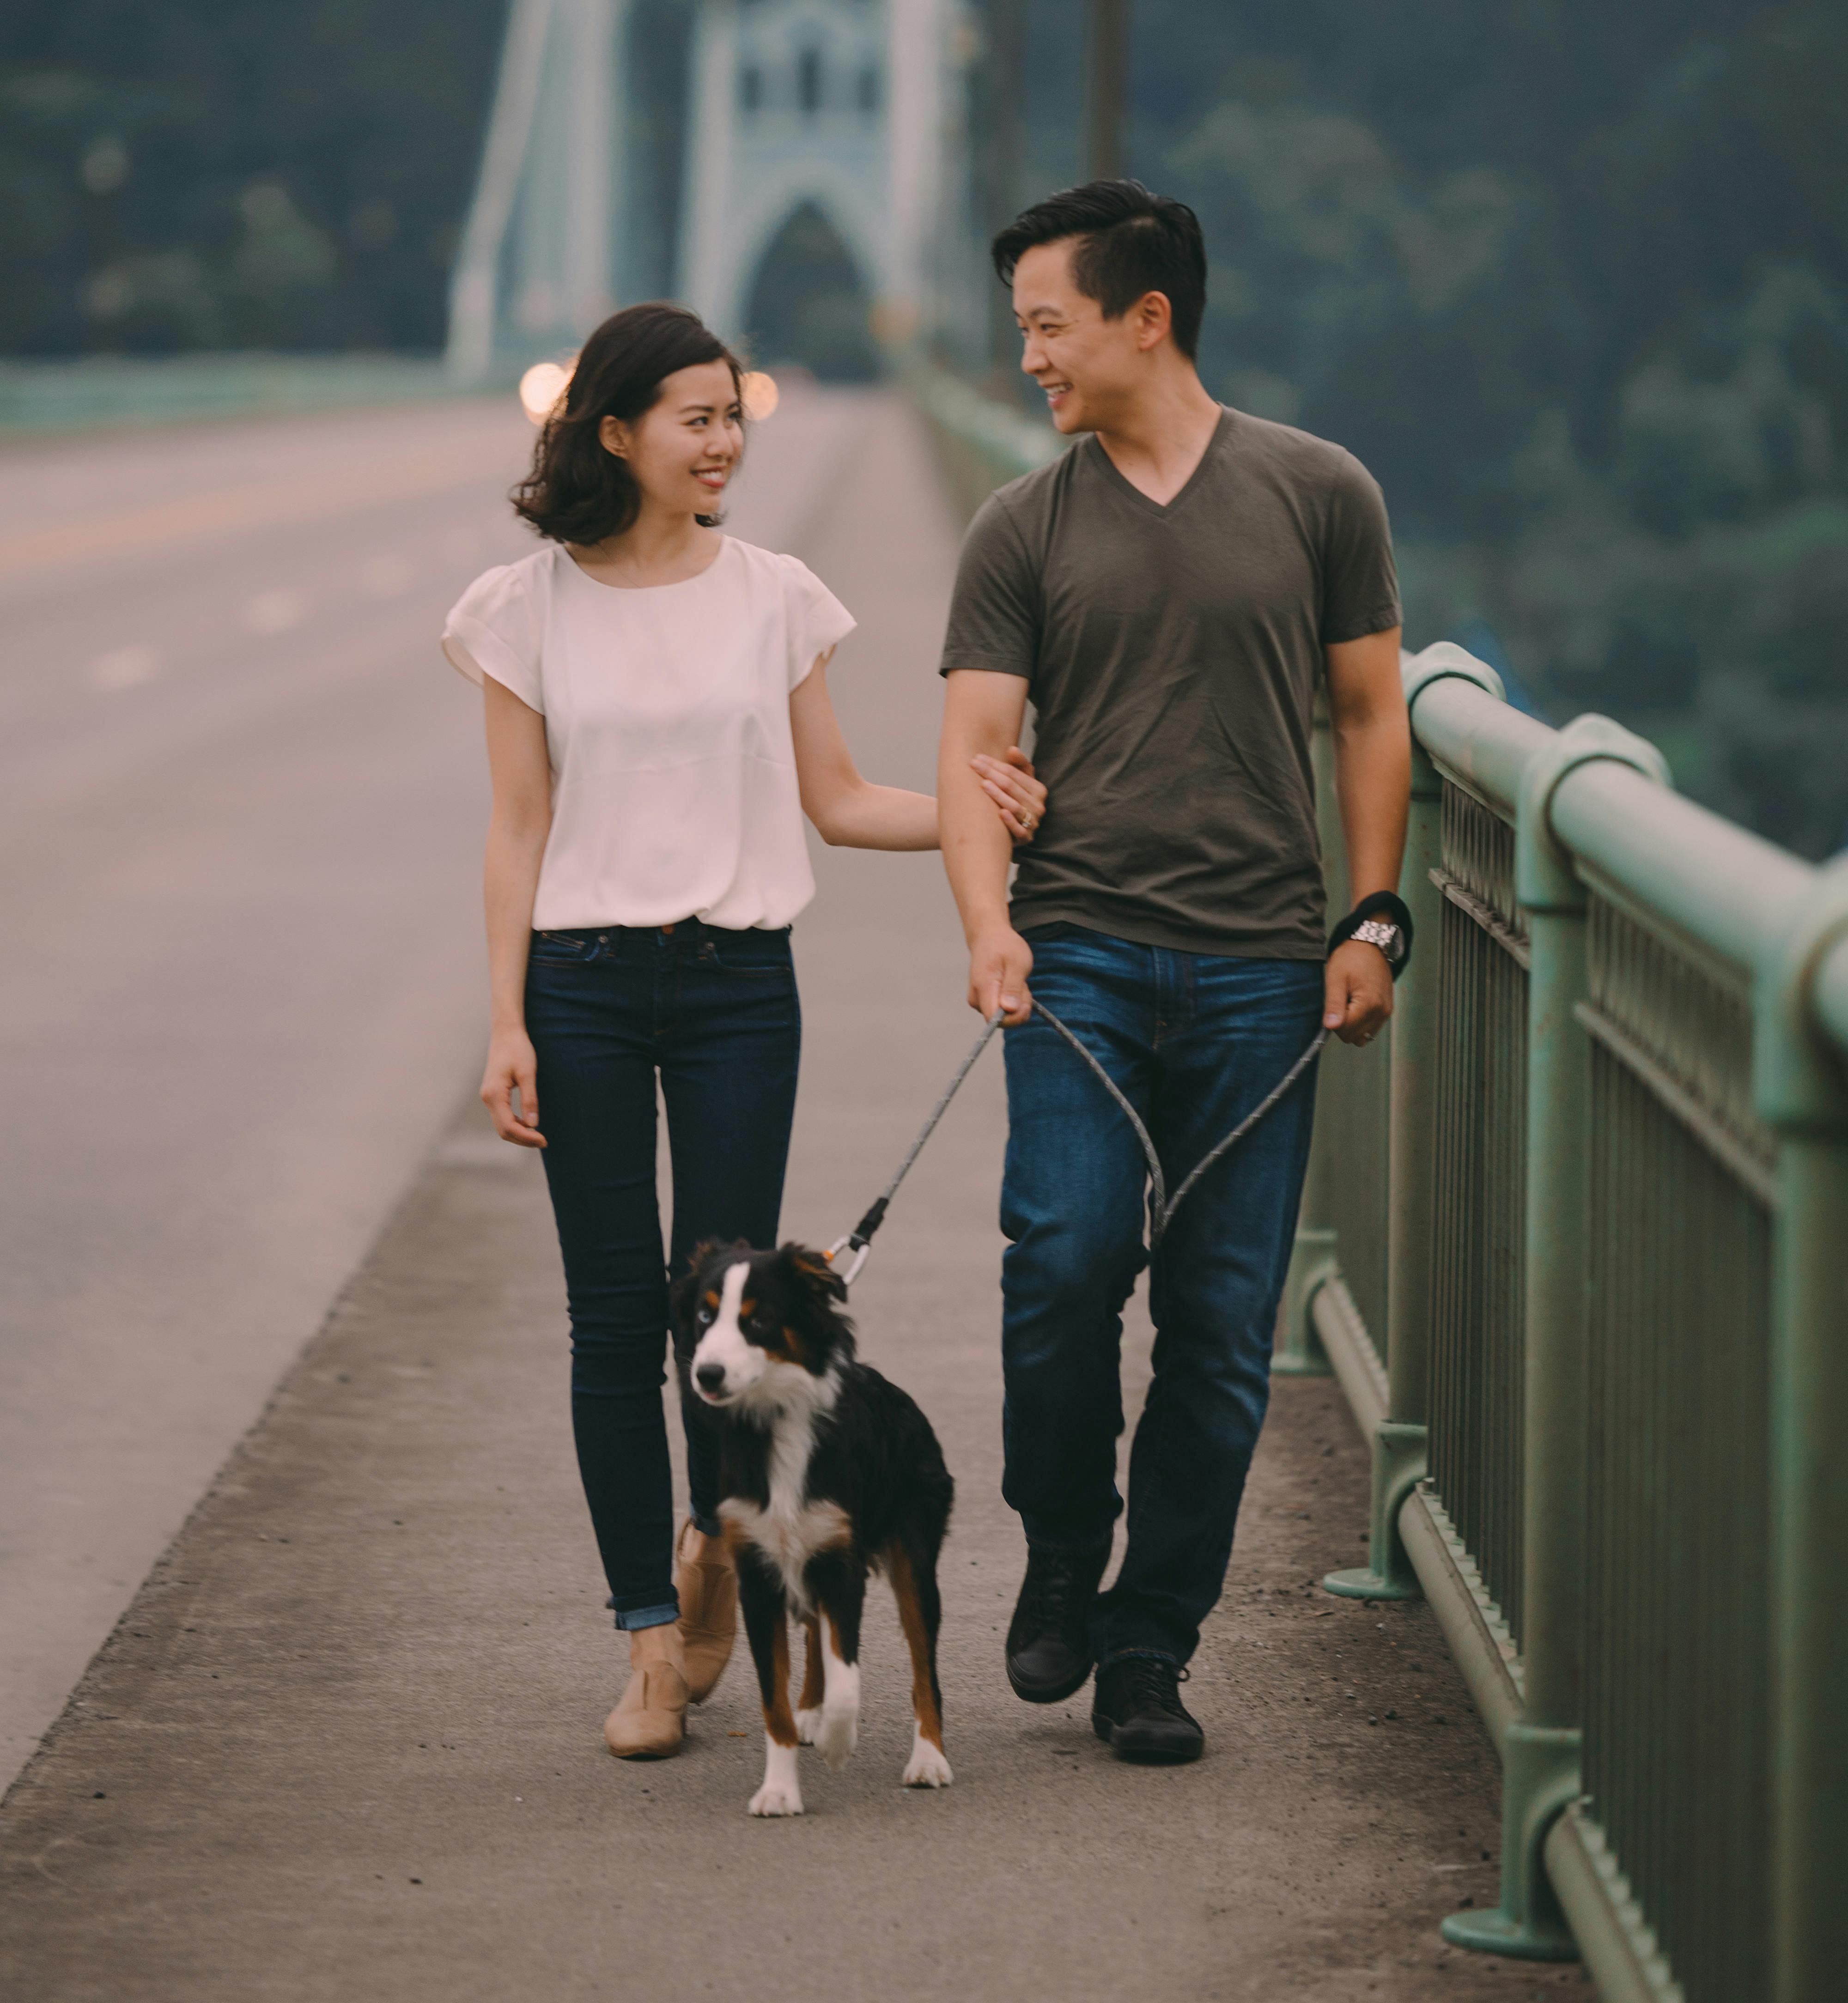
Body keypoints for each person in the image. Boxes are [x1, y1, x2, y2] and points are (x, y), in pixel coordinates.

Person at [444, 303, 1044, 1765]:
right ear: (616, 432)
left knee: (724, 1322)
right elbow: (517, 827)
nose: (724, 443)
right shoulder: (522, 607)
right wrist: (509, 1018)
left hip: (736, 990)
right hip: (582, 981)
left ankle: (720, 1554)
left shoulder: (774, 592)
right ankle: (652, 1645)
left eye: (734, 418)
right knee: (611, 1317)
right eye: (696, 419)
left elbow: (836, 800)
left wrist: (998, 811)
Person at [937, 182, 1410, 1766]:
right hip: (1076, 954)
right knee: (1061, 1264)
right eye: (1020, 333)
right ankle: (1064, 1539)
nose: (1029, 361)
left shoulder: (1321, 490)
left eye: (1048, 326)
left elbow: (1368, 715)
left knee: (1220, 1327)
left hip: (1268, 971)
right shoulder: (1024, 523)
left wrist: (1373, 915)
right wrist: (988, 923)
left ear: (1148, 318)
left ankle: (1151, 1641)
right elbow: (971, 752)